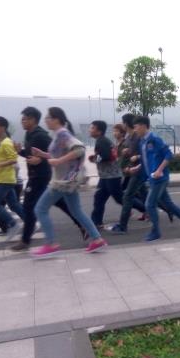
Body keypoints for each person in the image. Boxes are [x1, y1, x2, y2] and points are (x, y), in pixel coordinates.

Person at [30, 107, 107, 256]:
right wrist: (43, 154)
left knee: (40, 209)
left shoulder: (63, 134)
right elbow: (59, 153)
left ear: (56, 119)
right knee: (76, 211)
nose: (46, 120)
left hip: (63, 181)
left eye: (48, 117)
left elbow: (79, 150)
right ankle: (97, 239)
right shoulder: (58, 135)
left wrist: (59, 161)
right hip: (68, 180)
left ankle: (51, 244)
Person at [10, 107, 87, 251]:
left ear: (33, 120)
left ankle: (28, 241)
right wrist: (20, 152)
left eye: (24, 119)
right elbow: (32, 155)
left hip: (41, 177)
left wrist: (41, 160)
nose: (22, 122)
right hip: (40, 176)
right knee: (61, 203)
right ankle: (83, 226)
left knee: (30, 207)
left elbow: (56, 153)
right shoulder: (30, 134)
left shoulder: (41, 136)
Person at [130, 116, 180, 241]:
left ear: (143, 126)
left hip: (160, 178)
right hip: (152, 178)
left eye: (136, 127)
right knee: (168, 204)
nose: (135, 130)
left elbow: (168, 154)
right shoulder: (142, 142)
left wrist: (159, 170)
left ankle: (156, 232)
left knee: (149, 205)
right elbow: (146, 159)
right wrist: (138, 167)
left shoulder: (154, 139)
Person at [89, 120, 140, 229]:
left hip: (112, 176)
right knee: (99, 198)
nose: (90, 130)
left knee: (120, 198)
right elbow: (109, 155)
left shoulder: (101, 141)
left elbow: (107, 156)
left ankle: (146, 208)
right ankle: (96, 222)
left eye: (92, 128)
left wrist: (94, 159)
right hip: (106, 176)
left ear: (99, 131)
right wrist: (96, 158)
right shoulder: (102, 140)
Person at [0, 117, 25, 240]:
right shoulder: (1, 142)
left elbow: (13, 159)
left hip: (5, 179)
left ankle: (13, 224)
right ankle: (30, 221)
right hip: (4, 179)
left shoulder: (6, 142)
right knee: (13, 204)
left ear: (3, 127)